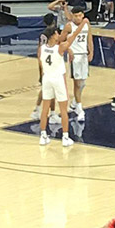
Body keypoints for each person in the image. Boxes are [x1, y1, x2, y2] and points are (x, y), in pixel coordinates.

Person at [37, 20, 75, 149]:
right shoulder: (59, 48)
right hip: (57, 79)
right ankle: (65, 137)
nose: (59, 34)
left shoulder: (41, 49)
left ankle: (43, 136)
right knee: (63, 109)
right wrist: (80, 25)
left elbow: (41, 65)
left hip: (46, 78)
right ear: (53, 35)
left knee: (45, 109)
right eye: (57, 33)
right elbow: (72, 38)